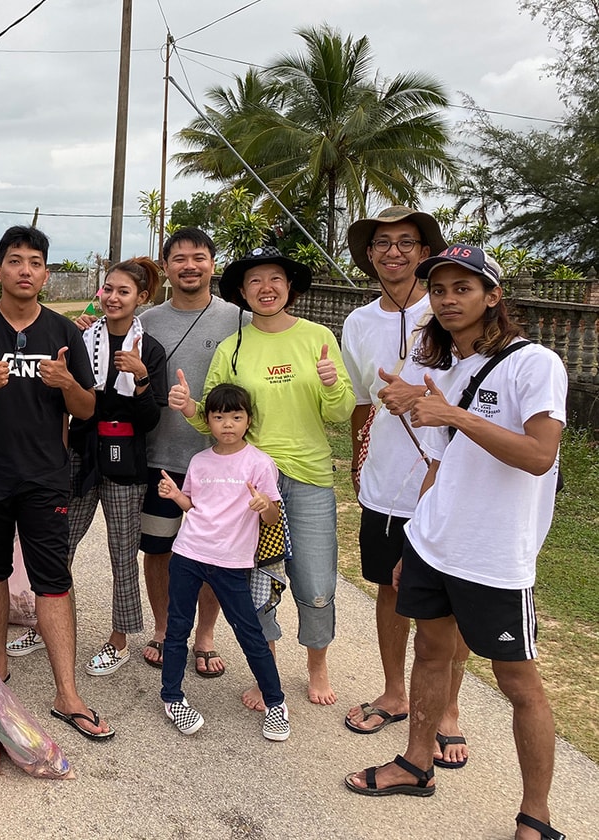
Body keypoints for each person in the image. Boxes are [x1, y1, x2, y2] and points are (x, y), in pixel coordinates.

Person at [344, 245, 567, 840]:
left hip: (495, 555)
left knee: (519, 682)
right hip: (435, 544)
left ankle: (536, 815)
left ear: (493, 296)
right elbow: (439, 470)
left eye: (462, 288)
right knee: (431, 654)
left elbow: (540, 456)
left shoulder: (534, 364)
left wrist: (449, 413)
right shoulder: (445, 372)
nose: (447, 299)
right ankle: (417, 763)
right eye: (438, 289)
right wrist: (416, 539)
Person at [0, 225, 112, 740]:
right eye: (14, 261)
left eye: (35, 262)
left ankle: (68, 693)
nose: (24, 270)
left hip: (45, 477)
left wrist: (67, 386)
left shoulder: (63, 333)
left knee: (53, 578)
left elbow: (87, 409)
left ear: (45, 272)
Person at [170, 245, 354, 707]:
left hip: (307, 476)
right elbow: (218, 414)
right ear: (243, 292)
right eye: (254, 281)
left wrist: (332, 383)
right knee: (260, 580)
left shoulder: (318, 337)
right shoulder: (233, 348)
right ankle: (264, 668)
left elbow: (342, 411)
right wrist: (192, 408)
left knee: (314, 583)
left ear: (289, 287)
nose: (265, 288)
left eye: (275, 279)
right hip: (248, 483)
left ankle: (317, 665)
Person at [341, 208, 470, 768]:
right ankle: (395, 692)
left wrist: (418, 400)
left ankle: (448, 711)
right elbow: (363, 402)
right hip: (381, 484)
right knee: (388, 591)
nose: (393, 252)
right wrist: (356, 460)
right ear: (369, 254)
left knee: (448, 603)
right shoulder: (357, 322)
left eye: (405, 243)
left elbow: (470, 401)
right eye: (382, 244)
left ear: (423, 250)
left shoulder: (445, 312)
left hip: (444, 484)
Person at [16, 257, 167, 675]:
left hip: (126, 460)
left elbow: (151, 419)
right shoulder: (81, 339)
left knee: (122, 552)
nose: (113, 297)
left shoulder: (148, 349)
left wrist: (140, 379)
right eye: (108, 289)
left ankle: (120, 638)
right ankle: (42, 622)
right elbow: (64, 400)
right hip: (80, 456)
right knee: (58, 544)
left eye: (124, 291)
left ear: (142, 298)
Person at [134, 228, 249, 673]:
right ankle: (165, 630)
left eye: (198, 257)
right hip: (158, 456)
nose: (189, 266)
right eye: (178, 258)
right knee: (158, 549)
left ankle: (204, 635)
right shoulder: (146, 320)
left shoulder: (238, 319)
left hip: (218, 461)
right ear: (165, 267)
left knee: (214, 554)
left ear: (212, 263)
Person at [157, 383, 289, 741]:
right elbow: (193, 506)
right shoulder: (199, 461)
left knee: (250, 632)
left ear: (248, 420)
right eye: (218, 417)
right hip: (188, 553)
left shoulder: (260, 463)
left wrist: (266, 506)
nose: (227, 424)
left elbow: (274, 516)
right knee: (177, 628)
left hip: (232, 561)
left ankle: (276, 702)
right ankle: (171, 696)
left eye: (236, 416)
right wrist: (175, 496)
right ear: (208, 421)